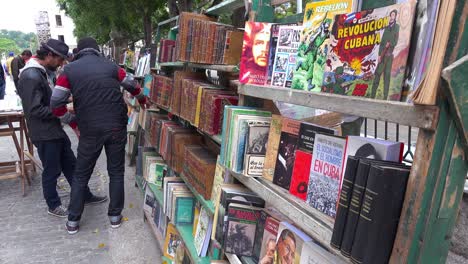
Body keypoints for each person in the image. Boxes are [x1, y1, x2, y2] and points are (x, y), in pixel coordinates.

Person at [50, 37, 147, 234]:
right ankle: (114, 217)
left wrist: (73, 122)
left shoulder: (68, 71)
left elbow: (55, 104)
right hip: (116, 128)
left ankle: (73, 221)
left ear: (79, 51)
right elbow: (133, 86)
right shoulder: (112, 67)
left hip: (89, 130)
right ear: (96, 51)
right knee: (116, 172)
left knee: (80, 175)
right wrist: (143, 99)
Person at [17, 39, 106, 218]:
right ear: (49, 55)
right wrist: (65, 109)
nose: (61, 64)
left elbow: (48, 100)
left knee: (71, 164)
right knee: (52, 170)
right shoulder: (31, 75)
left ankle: (84, 195)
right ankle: (53, 204)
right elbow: (35, 110)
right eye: (60, 59)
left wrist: (66, 101)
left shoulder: (41, 73)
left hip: (53, 129)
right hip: (44, 133)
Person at [371, 10, 400, 100]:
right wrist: (379, 55)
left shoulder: (397, 27)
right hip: (382, 55)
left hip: (389, 56)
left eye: (393, 15)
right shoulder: (386, 28)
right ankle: (372, 96)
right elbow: (382, 42)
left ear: (395, 17)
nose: (392, 16)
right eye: (391, 15)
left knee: (387, 77)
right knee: (377, 75)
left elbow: (395, 41)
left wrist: (390, 44)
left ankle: (385, 98)